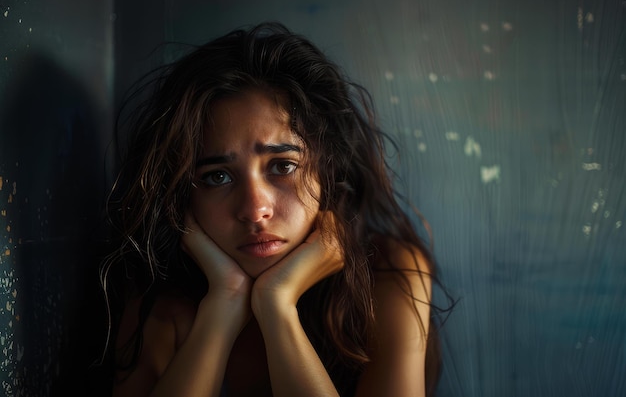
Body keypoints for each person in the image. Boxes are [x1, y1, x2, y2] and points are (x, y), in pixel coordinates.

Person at [101, 22, 446, 397]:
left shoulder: (388, 275)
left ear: (328, 171)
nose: (254, 210)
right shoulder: (162, 310)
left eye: (282, 166)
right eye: (217, 177)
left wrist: (277, 306)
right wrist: (224, 304)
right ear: (183, 194)